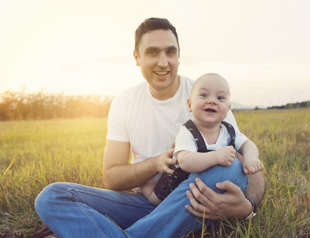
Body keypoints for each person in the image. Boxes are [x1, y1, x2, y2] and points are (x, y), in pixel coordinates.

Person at [35, 17, 265, 238]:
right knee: (52, 197)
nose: (163, 62)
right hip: (145, 201)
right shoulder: (125, 103)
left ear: (179, 56)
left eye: (170, 52)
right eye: (153, 52)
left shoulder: (206, 95)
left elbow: (250, 168)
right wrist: (155, 164)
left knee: (228, 165)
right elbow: (113, 177)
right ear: (137, 57)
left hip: (194, 198)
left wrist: (247, 208)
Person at [143, 73, 263, 205]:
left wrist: (251, 158)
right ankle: (147, 188)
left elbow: (248, 145)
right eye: (203, 95)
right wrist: (216, 157)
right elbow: (185, 162)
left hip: (208, 186)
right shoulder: (187, 131)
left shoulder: (229, 131)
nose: (212, 101)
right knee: (154, 200)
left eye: (220, 97)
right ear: (189, 104)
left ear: (228, 109)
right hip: (175, 187)